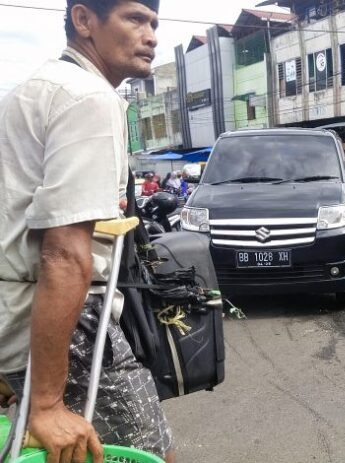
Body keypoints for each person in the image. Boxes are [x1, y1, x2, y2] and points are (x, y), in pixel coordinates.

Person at [0, 1, 174, 462]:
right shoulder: (88, 98)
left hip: (17, 314)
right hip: (70, 326)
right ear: (83, 21)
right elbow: (64, 255)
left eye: (154, 23)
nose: (151, 34)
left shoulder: (32, 91)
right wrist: (47, 403)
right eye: (135, 18)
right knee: (151, 455)